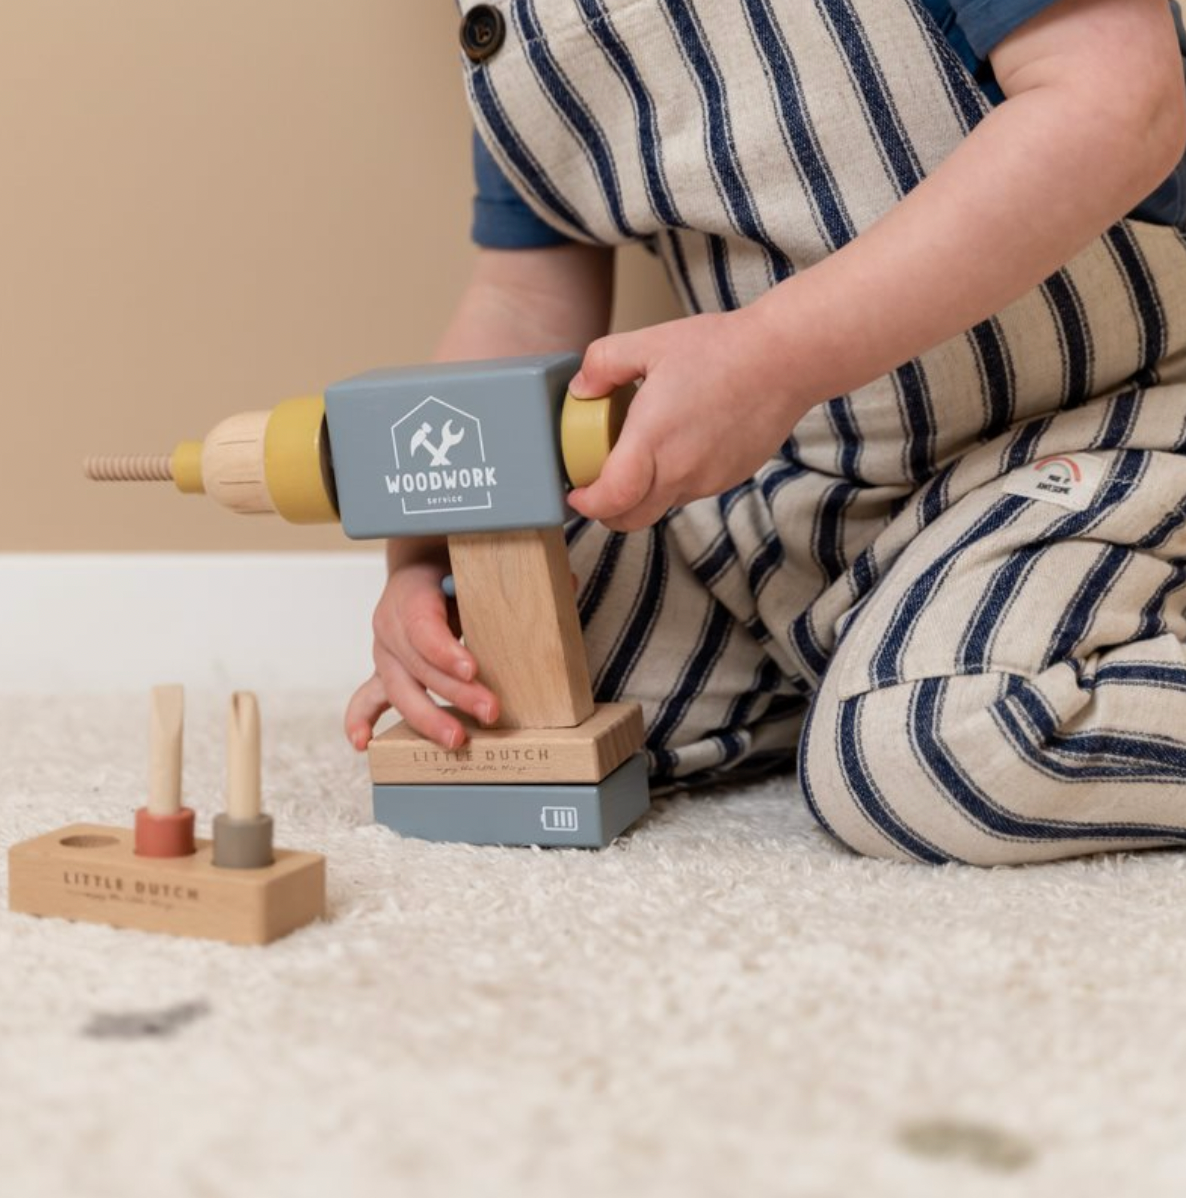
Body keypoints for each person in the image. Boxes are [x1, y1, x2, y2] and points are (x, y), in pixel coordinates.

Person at [345, 0, 1186, 865]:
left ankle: (917, 674)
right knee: (511, 669)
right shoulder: (519, 24)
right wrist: (434, 561)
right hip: (784, 502)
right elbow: (522, 300)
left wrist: (771, 356)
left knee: (934, 747)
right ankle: (870, 656)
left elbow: (1121, 104)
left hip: (1101, 434)